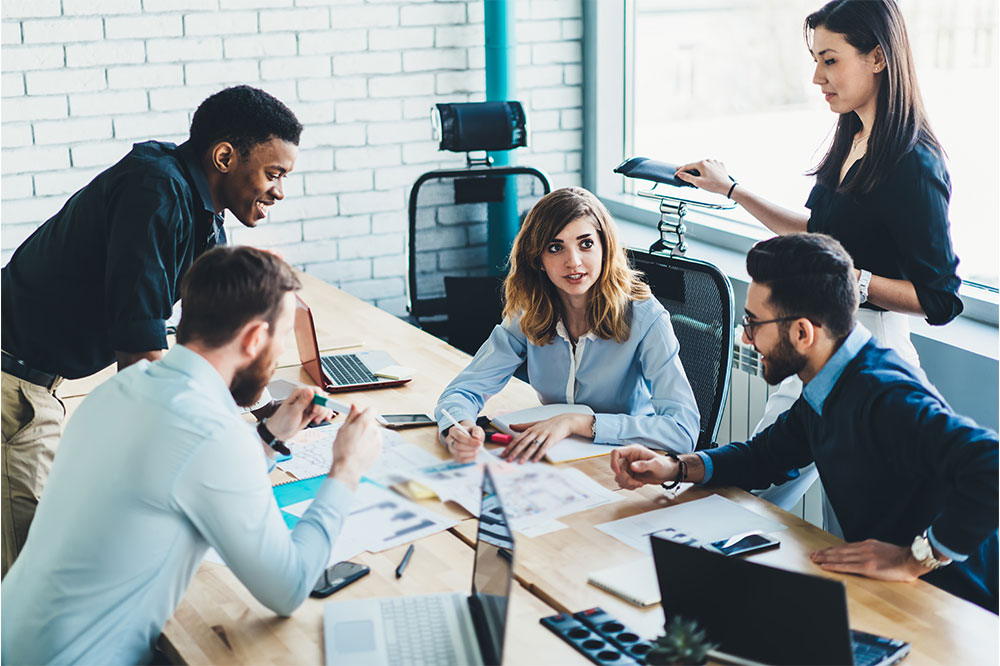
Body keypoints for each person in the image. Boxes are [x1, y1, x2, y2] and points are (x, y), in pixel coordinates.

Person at [0, 246, 383, 664]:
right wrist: (347, 468)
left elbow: (186, 471)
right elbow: (288, 588)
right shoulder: (211, 432)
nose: (279, 360)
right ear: (255, 338)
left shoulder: (120, 389)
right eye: (281, 339)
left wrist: (271, 438)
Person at [674, 0, 964, 510]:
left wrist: (851, 281)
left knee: (756, 497)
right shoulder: (853, 137)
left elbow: (940, 299)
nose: (816, 77)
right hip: (824, 333)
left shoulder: (913, 163)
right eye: (816, 60)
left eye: (830, 60)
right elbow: (818, 233)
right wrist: (732, 190)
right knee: (753, 491)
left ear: (877, 58)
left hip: (867, 340)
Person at [0, 85, 302, 574]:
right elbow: (141, 359)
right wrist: (218, 469)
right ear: (225, 155)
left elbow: (211, 336)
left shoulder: (202, 212)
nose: (280, 191)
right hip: (14, 393)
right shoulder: (155, 192)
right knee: (33, 568)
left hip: (37, 384)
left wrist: (267, 404)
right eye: (274, 173)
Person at [611, 234, 997, 613]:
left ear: (802, 332)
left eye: (753, 323)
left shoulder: (883, 393)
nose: (746, 339)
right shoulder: (827, 381)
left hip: (956, 606)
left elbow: (991, 463)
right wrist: (676, 467)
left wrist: (917, 558)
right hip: (898, 596)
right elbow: (764, 456)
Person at [435, 187, 700, 463]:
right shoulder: (531, 311)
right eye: (555, 247)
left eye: (586, 244)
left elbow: (683, 431)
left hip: (629, 464)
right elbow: (464, 390)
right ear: (538, 259)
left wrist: (580, 422)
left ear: (604, 247)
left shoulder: (646, 317)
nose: (573, 262)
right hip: (558, 462)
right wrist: (458, 427)